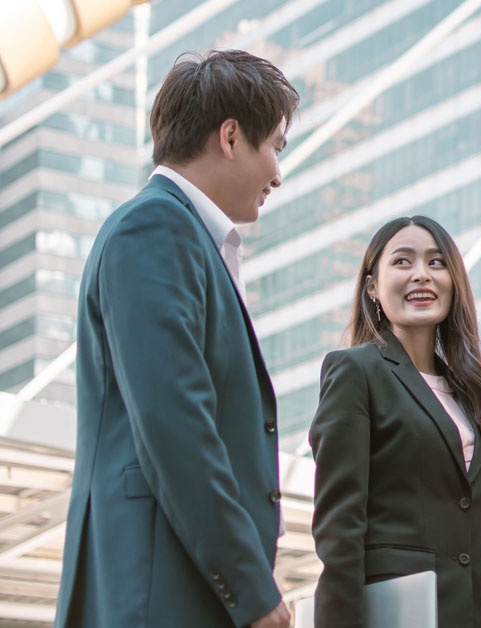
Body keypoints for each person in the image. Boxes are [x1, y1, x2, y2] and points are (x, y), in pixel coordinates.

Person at [55, 51, 299, 628]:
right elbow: (176, 424)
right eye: (276, 148)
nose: (278, 174)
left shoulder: (183, 236)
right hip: (156, 589)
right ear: (232, 136)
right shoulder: (156, 228)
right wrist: (253, 590)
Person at [309, 216, 481, 627]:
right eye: (403, 262)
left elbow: (475, 536)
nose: (422, 275)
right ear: (372, 287)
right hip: (399, 616)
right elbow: (339, 530)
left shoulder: (466, 390)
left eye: (437, 263)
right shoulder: (356, 371)